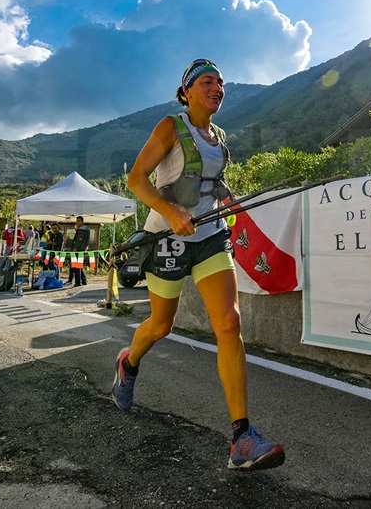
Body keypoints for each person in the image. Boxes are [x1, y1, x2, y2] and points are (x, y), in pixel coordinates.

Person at [112, 58, 285, 471]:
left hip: (208, 238)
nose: (217, 87)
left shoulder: (219, 136)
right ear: (187, 90)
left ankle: (242, 436)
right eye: (208, 81)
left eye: (221, 82)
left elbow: (213, 187)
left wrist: (236, 206)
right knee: (161, 325)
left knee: (229, 323)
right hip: (166, 239)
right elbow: (136, 180)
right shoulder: (170, 127)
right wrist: (171, 214)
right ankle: (128, 362)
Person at [68, 216, 89, 287]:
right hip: (82, 249)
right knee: (80, 266)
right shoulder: (84, 229)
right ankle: (84, 280)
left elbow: (79, 240)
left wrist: (75, 248)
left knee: (77, 266)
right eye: (77, 221)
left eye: (79, 221)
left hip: (78, 250)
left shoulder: (81, 230)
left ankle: (78, 282)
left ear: (82, 222)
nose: (77, 222)